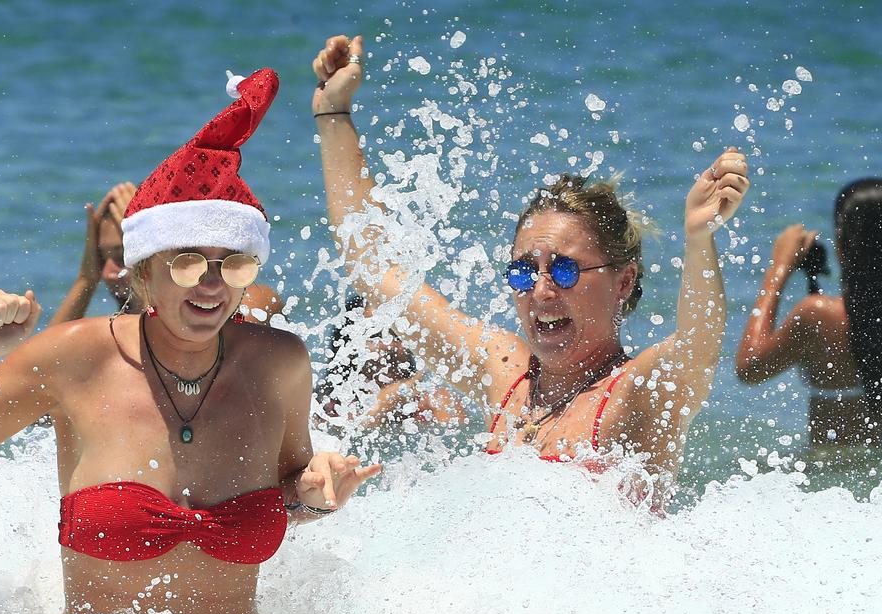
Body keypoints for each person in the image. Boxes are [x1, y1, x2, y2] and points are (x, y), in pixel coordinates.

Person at [0, 69, 380, 614]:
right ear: (144, 273)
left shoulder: (279, 362)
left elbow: (287, 494)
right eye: (188, 263)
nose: (213, 284)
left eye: (234, 264)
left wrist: (312, 496)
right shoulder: (74, 358)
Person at [311, 35, 751, 502]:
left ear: (623, 280)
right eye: (523, 272)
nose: (540, 292)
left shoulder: (637, 393)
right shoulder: (505, 372)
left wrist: (700, 240)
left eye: (564, 271)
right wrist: (333, 115)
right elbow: (376, 274)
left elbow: (698, 344)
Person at [736, 179, 882, 446]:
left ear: (841, 245)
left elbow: (749, 368)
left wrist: (779, 268)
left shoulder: (819, 316)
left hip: (830, 477)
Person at [49, 181, 286, 327]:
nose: (109, 273)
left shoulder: (249, 301)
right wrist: (86, 279)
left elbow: (221, 346)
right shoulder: (114, 334)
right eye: (102, 257)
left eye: (125, 256)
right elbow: (42, 378)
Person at [317, 295, 465, 429]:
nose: (388, 345)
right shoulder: (323, 403)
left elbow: (460, 434)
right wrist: (389, 399)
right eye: (375, 335)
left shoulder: (433, 400)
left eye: (395, 334)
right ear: (347, 346)